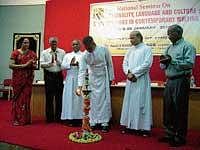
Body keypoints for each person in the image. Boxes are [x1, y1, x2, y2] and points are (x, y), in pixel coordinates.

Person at [159, 24, 196, 147]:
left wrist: (172, 61)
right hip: (169, 81)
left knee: (180, 109)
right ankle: (169, 134)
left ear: (178, 33)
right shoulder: (169, 48)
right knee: (168, 108)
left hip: (181, 80)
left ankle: (180, 137)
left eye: (170, 33)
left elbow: (190, 64)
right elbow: (163, 65)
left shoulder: (188, 46)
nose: (168, 35)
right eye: (168, 33)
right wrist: (163, 62)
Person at [76, 36, 114, 132]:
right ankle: (93, 121)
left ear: (93, 43)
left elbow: (110, 64)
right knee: (92, 101)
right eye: (86, 48)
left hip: (103, 78)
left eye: (89, 48)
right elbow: (81, 71)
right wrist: (79, 86)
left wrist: (111, 78)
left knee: (104, 100)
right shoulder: (84, 55)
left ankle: (104, 122)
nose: (88, 50)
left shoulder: (103, 49)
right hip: (92, 79)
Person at [120, 31, 153, 136]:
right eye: (130, 38)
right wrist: (128, 73)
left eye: (133, 38)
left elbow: (147, 64)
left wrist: (134, 74)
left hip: (141, 80)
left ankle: (143, 128)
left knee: (141, 103)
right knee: (129, 103)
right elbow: (124, 63)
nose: (131, 40)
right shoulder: (130, 50)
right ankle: (129, 126)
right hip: (130, 80)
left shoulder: (146, 49)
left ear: (139, 37)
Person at [9, 37, 37, 126]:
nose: (26, 44)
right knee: (17, 100)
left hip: (28, 80)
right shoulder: (15, 53)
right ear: (21, 43)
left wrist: (33, 65)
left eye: (27, 43)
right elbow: (10, 65)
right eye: (24, 42)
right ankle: (16, 119)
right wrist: (24, 65)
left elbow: (35, 66)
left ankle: (26, 119)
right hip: (18, 79)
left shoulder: (32, 53)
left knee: (26, 99)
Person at [40, 37, 65, 123]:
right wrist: (49, 64)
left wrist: (58, 61)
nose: (54, 44)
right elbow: (41, 64)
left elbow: (64, 65)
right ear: (49, 43)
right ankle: (49, 118)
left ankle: (58, 118)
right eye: (52, 42)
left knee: (59, 97)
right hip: (49, 76)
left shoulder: (62, 52)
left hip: (58, 75)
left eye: (55, 42)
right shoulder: (44, 52)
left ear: (57, 43)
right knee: (49, 97)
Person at [61, 40, 83, 126]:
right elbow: (62, 66)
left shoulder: (83, 55)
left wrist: (79, 65)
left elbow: (87, 67)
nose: (75, 45)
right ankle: (69, 118)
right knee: (69, 99)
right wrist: (70, 64)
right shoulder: (67, 55)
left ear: (80, 45)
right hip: (70, 79)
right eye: (73, 44)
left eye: (76, 44)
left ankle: (79, 118)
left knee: (79, 99)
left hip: (79, 79)